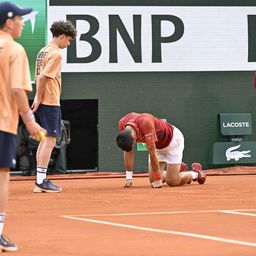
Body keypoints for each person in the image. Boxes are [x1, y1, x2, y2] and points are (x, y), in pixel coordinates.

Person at [0, 1, 46, 251]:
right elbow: (17, 89)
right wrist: (29, 121)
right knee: (2, 176)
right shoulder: (14, 50)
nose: (22, 23)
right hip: (3, 122)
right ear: (9, 22)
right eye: (20, 19)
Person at [31, 20, 77, 193]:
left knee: (45, 140)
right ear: (62, 36)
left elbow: (39, 78)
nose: (69, 43)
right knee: (50, 141)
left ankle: (39, 179)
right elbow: (43, 78)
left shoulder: (43, 51)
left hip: (45, 101)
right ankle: (41, 182)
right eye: (69, 40)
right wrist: (38, 96)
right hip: (50, 102)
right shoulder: (56, 54)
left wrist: (38, 97)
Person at [116, 112, 206, 188]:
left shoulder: (145, 122)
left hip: (173, 142)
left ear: (133, 136)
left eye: (134, 143)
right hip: (158, 146)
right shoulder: (122, 123)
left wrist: (158, 179)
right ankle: (176, 170)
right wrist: (128, 178)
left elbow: (152, 154)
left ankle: (196, 173)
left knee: (172, 182)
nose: (135, 144)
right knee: (152, 180)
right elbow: (128, 152)